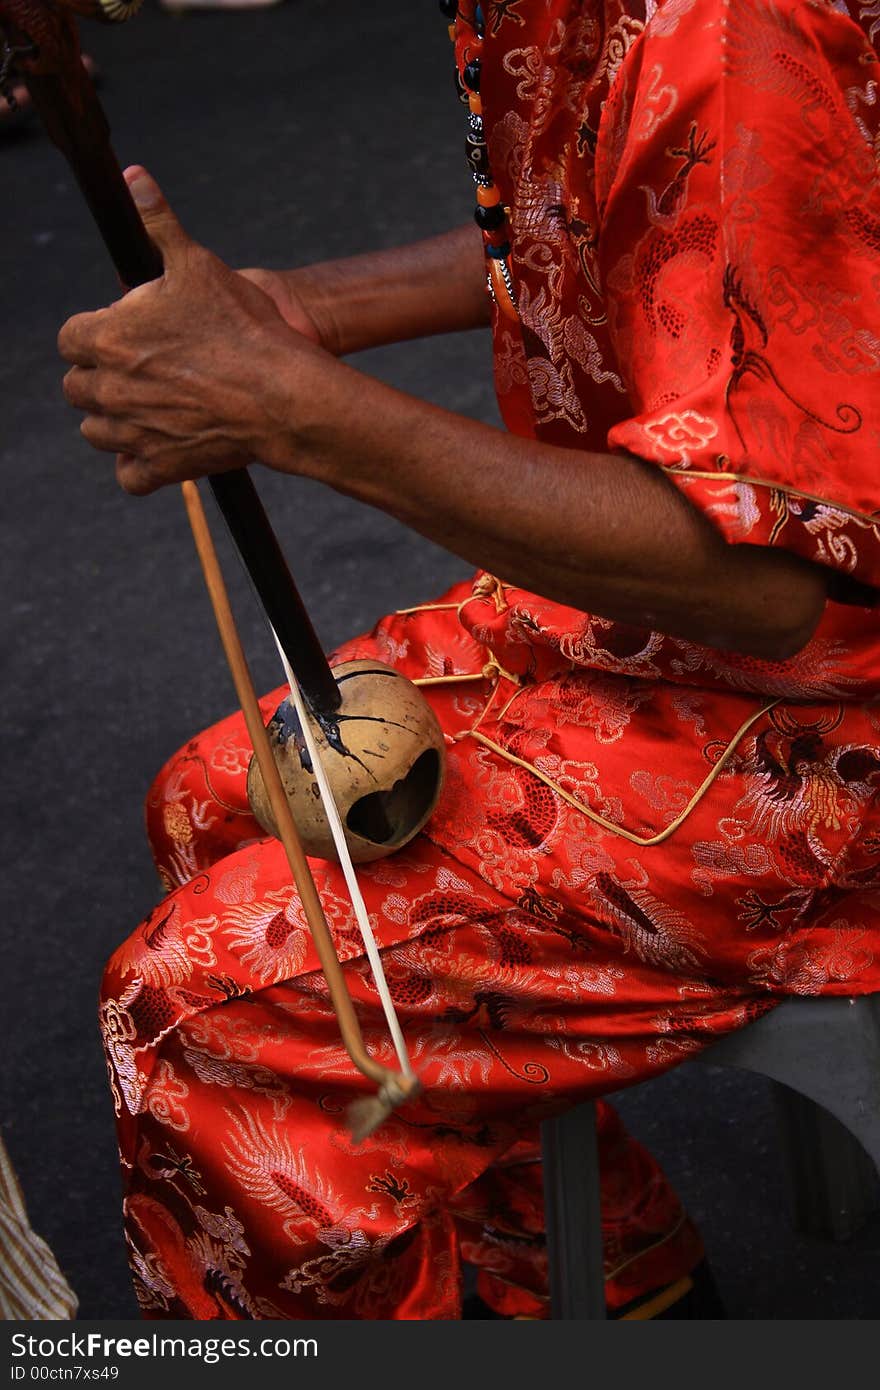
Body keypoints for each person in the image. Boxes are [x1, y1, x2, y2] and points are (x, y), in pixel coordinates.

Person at [58, 0, 880, 1319]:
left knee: (206, 1011)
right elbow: (629, 230)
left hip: (825, 712)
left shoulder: (728, 28)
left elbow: (773, 585)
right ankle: (606, 1290)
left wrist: (294, 412)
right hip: (671, 633)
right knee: (219, 799)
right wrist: (304, 315)